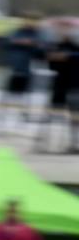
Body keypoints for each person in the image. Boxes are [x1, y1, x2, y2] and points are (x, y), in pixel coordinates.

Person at [0, 15, 44, 129]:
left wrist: (34, 45)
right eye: (28, 21)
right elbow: (4, 43)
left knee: (25, 95)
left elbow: (42, 51)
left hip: (28, 69)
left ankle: (22, 118)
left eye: (33, 21)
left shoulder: (39, 35)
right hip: (12, 67)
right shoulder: (15, 32)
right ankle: (0, 118)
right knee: (6, 94)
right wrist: (19, 42)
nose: (30, 23)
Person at [37, 20, 79, 152]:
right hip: (59, 84)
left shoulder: (74, 47)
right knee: (53, 113)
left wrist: (68, 56)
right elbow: (47, 60)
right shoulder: (56, 46)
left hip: (75, 85)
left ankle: (75, 144)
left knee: (75, 115)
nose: (64, 32)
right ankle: (45, 144)